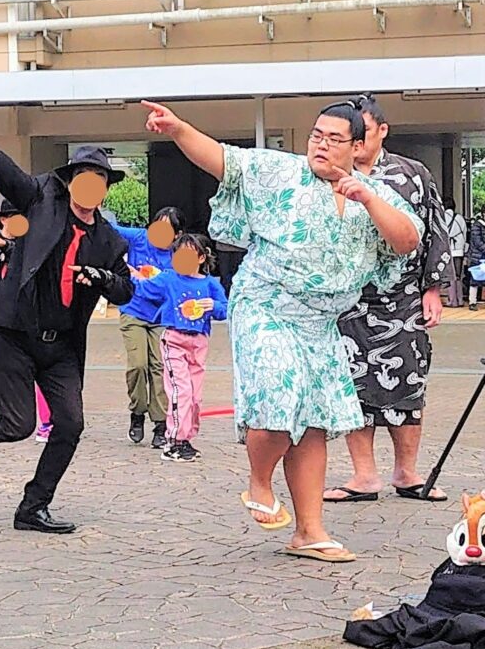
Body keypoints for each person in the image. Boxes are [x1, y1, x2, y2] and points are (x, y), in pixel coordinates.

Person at [143, 99, 421, 562]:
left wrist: (367, 198)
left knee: (313, 422)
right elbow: (221, 159)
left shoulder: (374, 193)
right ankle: (258, 480)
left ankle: (309, 532)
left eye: (335, 139)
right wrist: (177, 129)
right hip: (267, 306)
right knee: (278, 398)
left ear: (358, 146)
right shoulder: (279, 170)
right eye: (317, 135)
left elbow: (406, 239)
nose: (322, 145)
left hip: (320, 323)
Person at [0, 108, 133, 535]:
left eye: (99, 180)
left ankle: (33, 507)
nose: (90, 186)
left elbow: (125, 289)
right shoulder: (40, 201)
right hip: (13, 333)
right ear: (70, 182)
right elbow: (1, 165)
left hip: (62, 347)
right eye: (83, 177)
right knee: (16, 425)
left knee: (71, 424)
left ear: (105, 189)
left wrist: (103, 278)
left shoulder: (109, 240)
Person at [326, 95, 452, 504]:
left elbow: (435, 228)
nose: (358, 139)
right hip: (347, 298)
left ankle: (407, 472)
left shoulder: (412, 174)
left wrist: (433, 288)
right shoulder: (326, 174)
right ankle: (364, 475)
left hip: (402, 296)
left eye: (364, 130)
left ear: (382, 130)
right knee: (352, 385)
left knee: (408, 383)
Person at [130, 233, 228, 462]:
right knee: (180, 391)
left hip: (199, 342)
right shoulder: (168, 279)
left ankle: (186, 438)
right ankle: (173, 440)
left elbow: (224, 309)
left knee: (194, 396)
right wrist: (129, 274)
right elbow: (144, 289)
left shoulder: (211, 283)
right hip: (174, 339)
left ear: (202, 258)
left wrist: (213, 305)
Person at [112, 206, 183, 449]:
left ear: (176, 234)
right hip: (133, 310)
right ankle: (137, 412)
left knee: (159, 368)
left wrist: (146, 279)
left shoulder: (178, 256)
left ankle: (160, 424)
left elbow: (172, 288)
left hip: (161, 317)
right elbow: (107, 227)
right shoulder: (139, 238)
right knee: (138, 365)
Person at [468, 211, 485, 310]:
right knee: (474, 280)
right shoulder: (477, 225)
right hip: (477, 256)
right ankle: (472, 302)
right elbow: (477, 242)